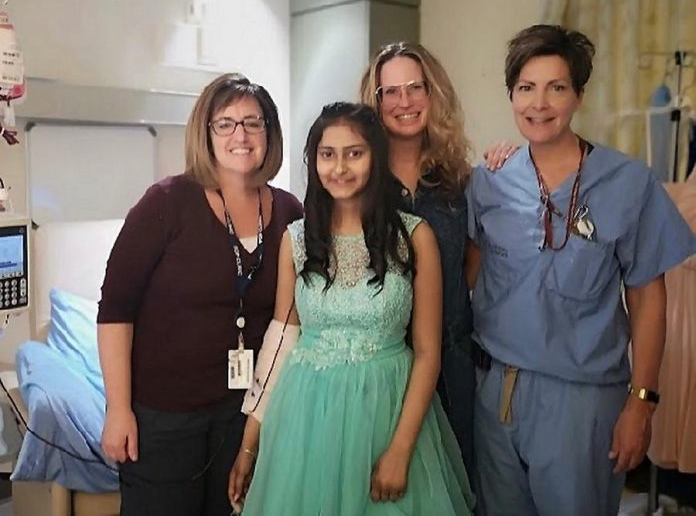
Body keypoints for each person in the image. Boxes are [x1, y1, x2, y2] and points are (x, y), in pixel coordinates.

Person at [467, 24, 696, 516]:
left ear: (578, 95)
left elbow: (649, 298)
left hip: (581, 400)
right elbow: (471, 273)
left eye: (557, 87)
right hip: (495, 393)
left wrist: (642, 402)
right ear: (511, 94)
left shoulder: (627, 183)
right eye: (526, 88)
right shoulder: (489, 181)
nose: (540, 103)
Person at [228, 102, 476, 515]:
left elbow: (429, 354)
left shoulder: (415, 237)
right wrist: (250, 443)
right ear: (315, 162)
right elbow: (281, 341)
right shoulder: (297, 239)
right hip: (307, 420)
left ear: (375, 158)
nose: (339, 167)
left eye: (354, 153)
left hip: (388, 413)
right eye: (328, 154)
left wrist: (400, 449)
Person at [97, 73, 302, 516]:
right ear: (205, 134)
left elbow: (294, 319)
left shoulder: (290, 213)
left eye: (253, 122)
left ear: (271, 132)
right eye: (225, 123)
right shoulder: (166, 203)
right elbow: (115, 310)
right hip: (164, 417)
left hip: (244, 416)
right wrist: (118, 409)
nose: (240, 135)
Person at [359, 42, 516, 474]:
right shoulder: (360, 184)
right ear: (375, 102)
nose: (404, 101)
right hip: (381, 370)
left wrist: (510, 164)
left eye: (415, 87)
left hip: (452, 369)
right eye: (390, 91)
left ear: (434, 94)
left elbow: (472, 265)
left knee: (454, 483)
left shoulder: (460, 181)